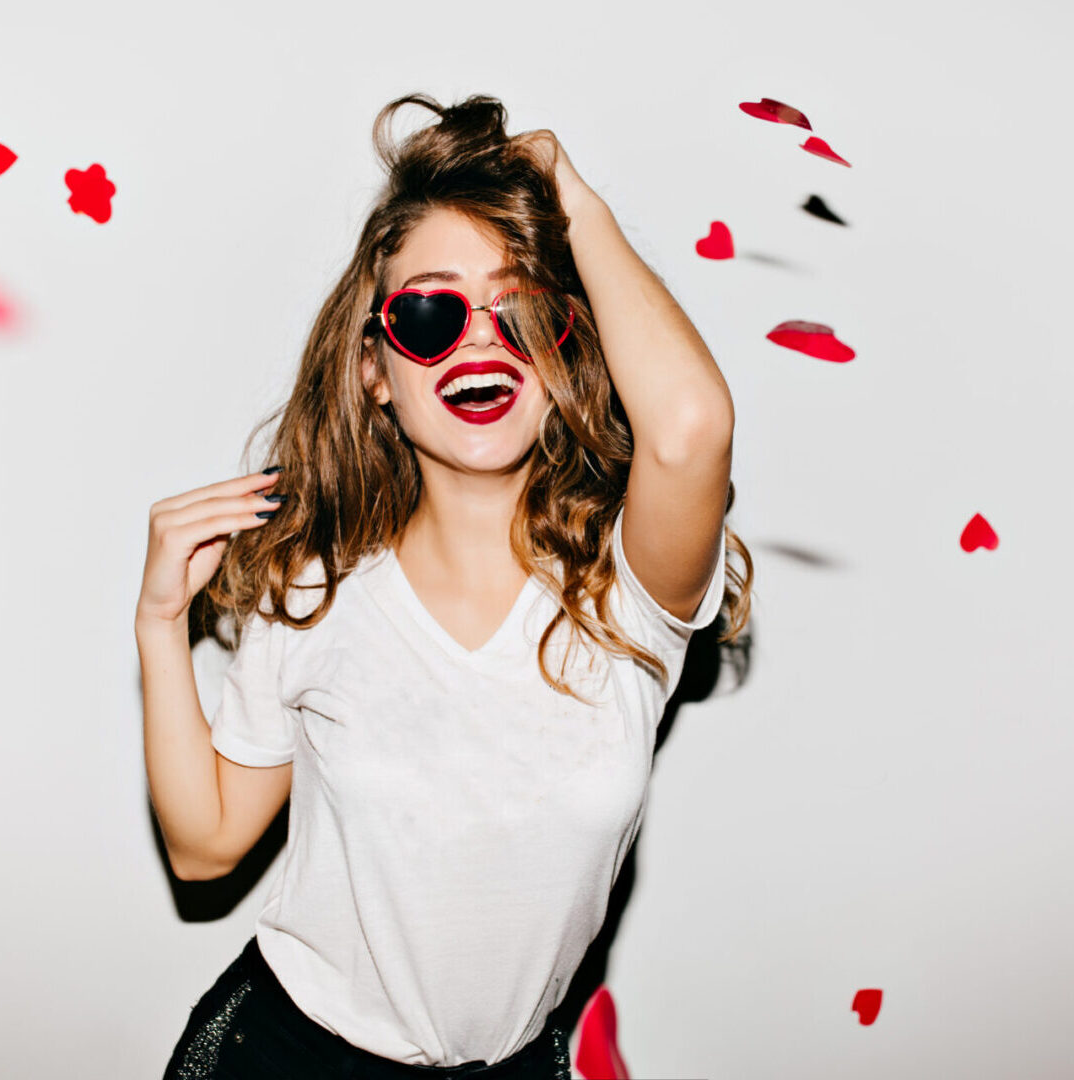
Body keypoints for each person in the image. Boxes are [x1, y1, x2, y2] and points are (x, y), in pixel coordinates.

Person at [136, 92, 751, 1080]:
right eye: (430, 311)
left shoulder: (626, 590)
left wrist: (573, 204)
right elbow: (205, 848)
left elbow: (687, 431)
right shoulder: (317, 593)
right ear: (376, 368)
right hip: (288, 1057)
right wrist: (163, 622)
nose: (478, 339)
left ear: (563, 352)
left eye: (519, 309)